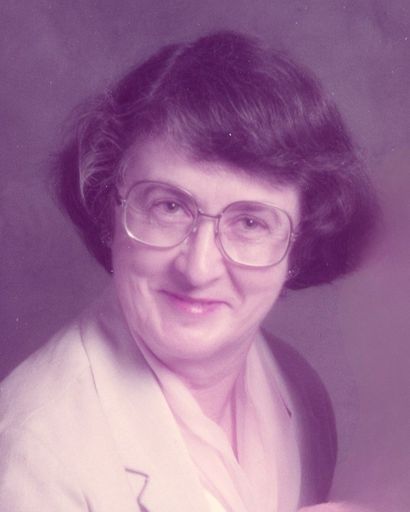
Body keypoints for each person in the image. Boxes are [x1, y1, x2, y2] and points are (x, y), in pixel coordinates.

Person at [0, 31, 376, 511]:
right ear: (108, 212)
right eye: (169, 206)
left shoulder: (301, 390)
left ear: (298, 246)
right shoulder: (31, 458)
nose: (198, 268)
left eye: (250, 222)